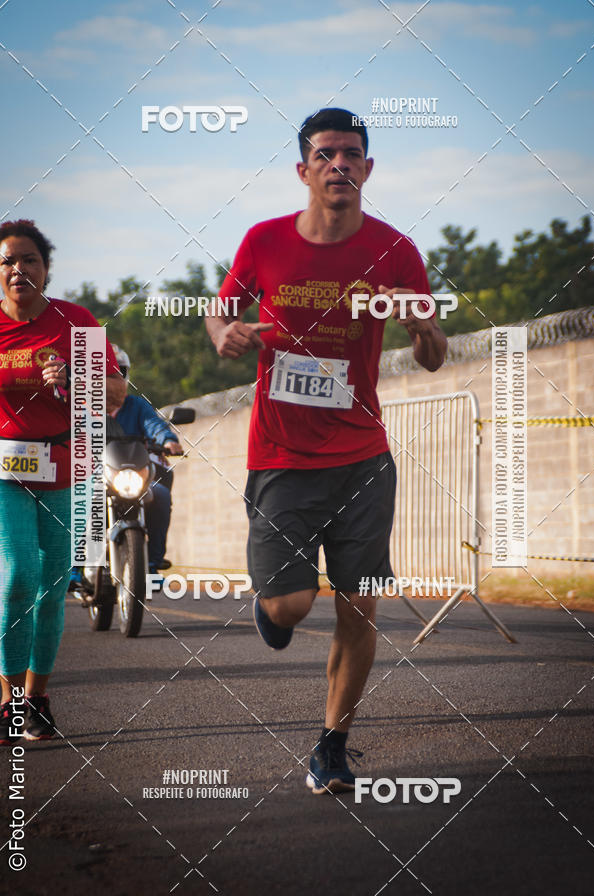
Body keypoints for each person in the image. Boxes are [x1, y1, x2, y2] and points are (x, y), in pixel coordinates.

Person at [206, 108, 447, 794]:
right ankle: (272, 602)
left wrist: (422, 329)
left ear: (367, 169)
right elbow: (220, 309)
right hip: (282, 455)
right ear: (303, 169)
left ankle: (332, 744)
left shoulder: (397, 250)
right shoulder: (265, 241)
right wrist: (223, 331)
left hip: (364, 455)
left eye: (351, 154)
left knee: (360, 604)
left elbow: (434, 356)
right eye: (325, 154)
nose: (338, 164)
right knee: (290, 608)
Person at [0, 219, 126, 745]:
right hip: (2, 467)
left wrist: (79, 380)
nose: (18, 269)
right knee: (17, 577)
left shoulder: (74, 322)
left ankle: (39, 698)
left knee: (51, 587)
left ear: (46, 270)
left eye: (29, 260)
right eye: (7, 261)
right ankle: (9, 701)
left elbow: (116, 393)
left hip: (60, 461)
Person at [106, 345, 183, 575]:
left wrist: (168, 440)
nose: (112, 378)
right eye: (104, 373)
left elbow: (154, 425)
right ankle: (75, 565)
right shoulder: (82, 405)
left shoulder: (137, 406)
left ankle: (153, 563)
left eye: (117, 372)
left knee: (160, 495)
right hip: (96, 477)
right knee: (77, 501)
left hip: (132, 475)